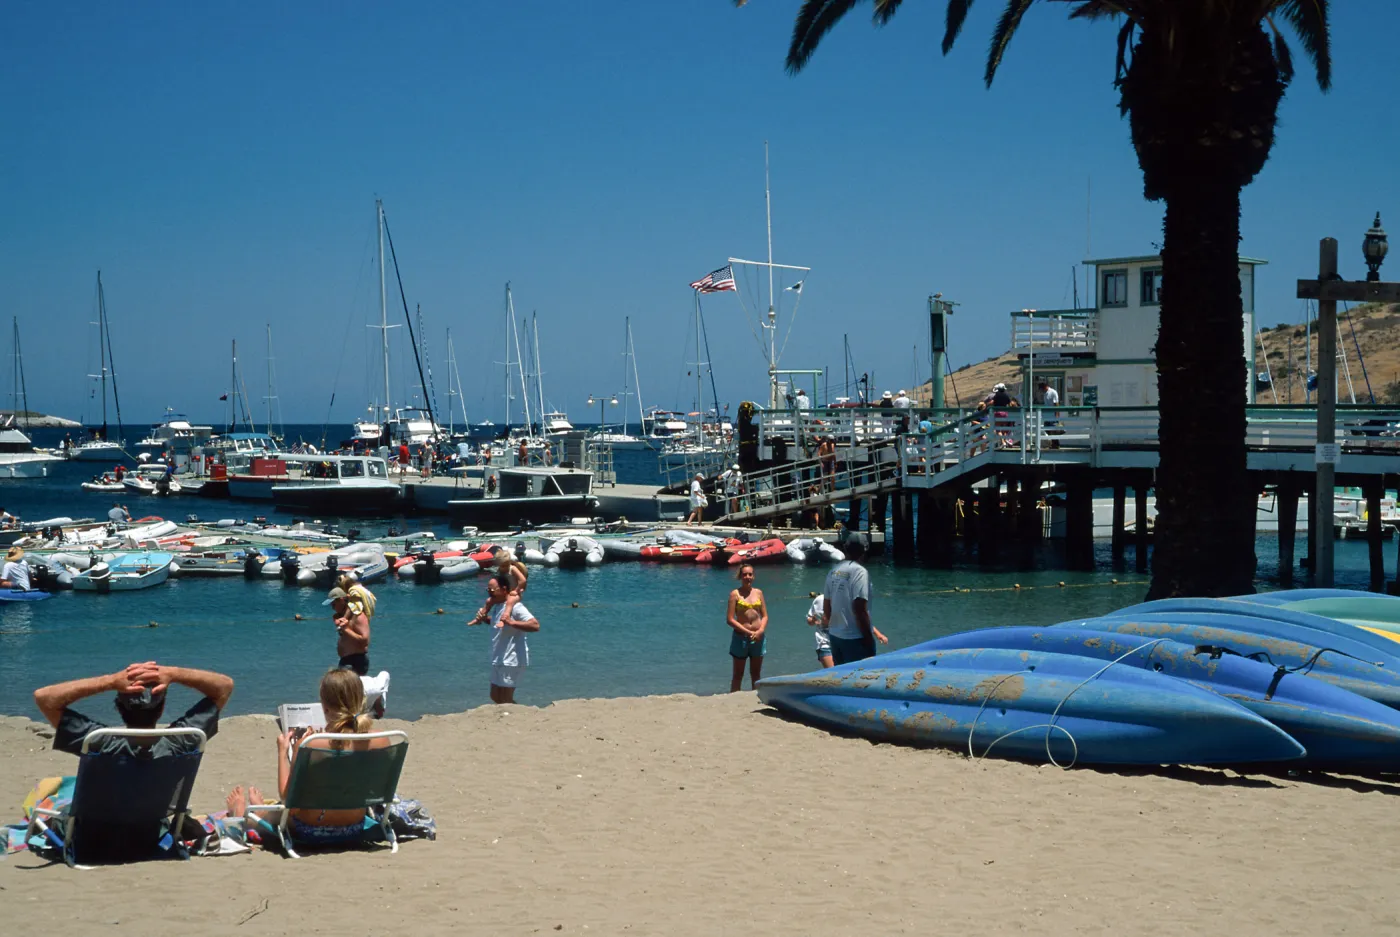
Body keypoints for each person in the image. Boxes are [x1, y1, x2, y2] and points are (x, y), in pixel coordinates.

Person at [225, 669, 389, 844]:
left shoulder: (311, 744)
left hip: (311, 828)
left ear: (325, 707)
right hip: (354, 826)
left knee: (269, 816)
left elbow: (287, 798)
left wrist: (284, 751)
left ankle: (246, 812)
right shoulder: (381, 739)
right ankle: (261, 810)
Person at [34, 661, 235, 754]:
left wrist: (110, 681)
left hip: (93, 837)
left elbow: (44, 697)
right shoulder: (182, 741)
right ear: (162, 708)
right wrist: (172, 673)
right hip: (153, 832)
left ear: (119, 708)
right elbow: (224, 686)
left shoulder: (98, 742)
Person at [468, 573, 540, 704]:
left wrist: (512, 623)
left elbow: (535, 625)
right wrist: (485, 619)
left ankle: (520, 718)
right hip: (498, 658)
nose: (489, 593)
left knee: (505, 699)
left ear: (504, 589)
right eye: (488, 590)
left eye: (492, 590)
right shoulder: (497, 606)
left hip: (512, 659)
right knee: (495, 696)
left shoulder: (516, 607)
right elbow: (497, 623)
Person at [822, 538, 887, 665]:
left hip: (835, 637)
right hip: (854, 638)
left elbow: (826, 606)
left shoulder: (833, 571)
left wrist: (835, 627)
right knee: (861, 678)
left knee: (841, 678)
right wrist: (868, 638)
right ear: (864, 552)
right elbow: (859, 608)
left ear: (845, 549)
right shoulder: (860, 572)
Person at [726, 563, 767, 692]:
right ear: (740, 576)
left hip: (758, 638)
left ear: (753, 576)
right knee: (738, 675)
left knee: (756, 674)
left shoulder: (759, 593)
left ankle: (756, 698)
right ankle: (733, 698)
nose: (747, 577)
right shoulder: (735, 594)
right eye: (744, 574)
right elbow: (730, 619)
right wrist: (748, 631)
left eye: (750, 574)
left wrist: (760, 631)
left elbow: (765, 616)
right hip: (741, 637)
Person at [325, 585, 371, 676]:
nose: (332, 608)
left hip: (356, 661)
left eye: (334, 604)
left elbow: (365, 641)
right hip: (346, 660)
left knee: (345, 689)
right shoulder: (341, 617)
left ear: (341, 600)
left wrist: (346, 629)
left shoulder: (358, 616)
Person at [807, 592, 834, 669]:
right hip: (825, 644)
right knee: (833, 673)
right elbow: (809, 619)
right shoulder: (819, 599)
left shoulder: (847, 599)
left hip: (844, 642)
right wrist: (813, 620)